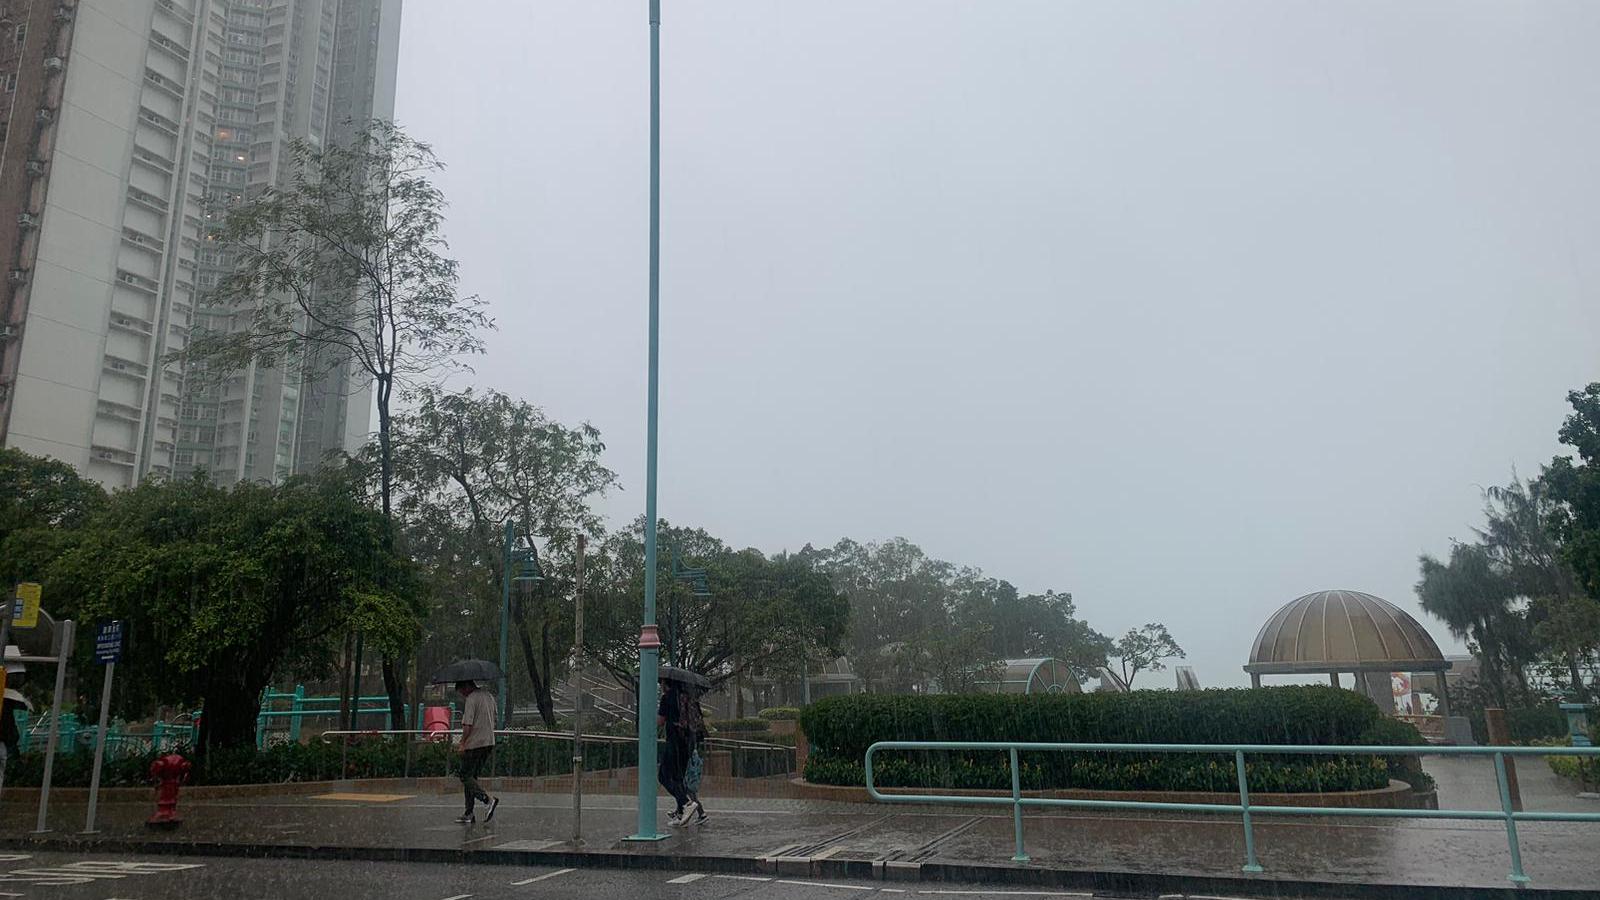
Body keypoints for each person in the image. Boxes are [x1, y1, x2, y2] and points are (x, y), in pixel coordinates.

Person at [454, 680, 499, 824]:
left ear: (467, 687)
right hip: (488, 742)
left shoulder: (471, 699)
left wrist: (462, 743)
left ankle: (487, 800)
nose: (462, 695)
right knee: (471, 777)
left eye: (462, 691)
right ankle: (469, 813)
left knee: (465, 775)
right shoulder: (489, 696)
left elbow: (467, 725)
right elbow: (495, 717)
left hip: (474, 744)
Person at [657, 676, 699, 826]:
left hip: (674, 740)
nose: (660, 685)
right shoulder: (688, 698)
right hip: (687, 743)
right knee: (678, 777)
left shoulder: (667, 698)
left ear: (665, 683)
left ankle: (686, 803)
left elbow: (660, 721)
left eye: (661, 682)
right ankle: (681, 814)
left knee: (663, 775)